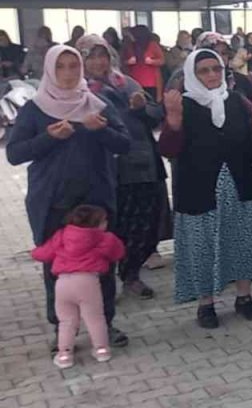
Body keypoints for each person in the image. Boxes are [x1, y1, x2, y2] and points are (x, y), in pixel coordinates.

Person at [7, 45, 131, 351]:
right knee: (57, 267)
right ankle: (62, 327)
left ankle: (105, 322)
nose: (67, 73)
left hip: (95, 200)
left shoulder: (95, 104)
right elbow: (14, 153)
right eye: (60, 67)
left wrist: (99, 131)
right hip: (52, 201)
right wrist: (49, 137)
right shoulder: (35, 108)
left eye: (73, 66)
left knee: (100, 264)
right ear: (50, 70)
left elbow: (125, 144)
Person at [159, 49, 252, 328]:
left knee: (242, 240)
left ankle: (244, 297)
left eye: (216, 69)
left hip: (238, 186)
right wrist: (173, 119)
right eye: (204, 70)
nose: (212, 75)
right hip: (199, 190)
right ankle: (205, 303)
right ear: (191, 75)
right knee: (202, 246)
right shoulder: (183, 104)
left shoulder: (235, 100)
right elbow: (168, 149)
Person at [77, 34, 169, 300]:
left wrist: (142, 108)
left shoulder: (126, 82)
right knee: (112, 228)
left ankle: (132, 274)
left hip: (144, 165)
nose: (98, 61)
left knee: (146, 226)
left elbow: (155, 117)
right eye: (91, 56)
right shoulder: (79, 91)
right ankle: (106, 282)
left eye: (102, 55)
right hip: (109, 171)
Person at [32, 205, 125, 368]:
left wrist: (34, 252)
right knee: (95, 318)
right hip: (87, 281)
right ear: (98, 224)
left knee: (66, 321)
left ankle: (64, 355)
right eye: (104, 221)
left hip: (62, 283)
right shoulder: (104, 238)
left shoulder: (61, 235)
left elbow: (42, 254)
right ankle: (101, 350)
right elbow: (118, 253)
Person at [121, 25, 165, 100]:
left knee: (151, 101)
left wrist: (152, 61)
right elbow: (121, 62)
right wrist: (128, 62)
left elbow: (162, 60)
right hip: (135, 80)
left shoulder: (152, 45)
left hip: (151, 82)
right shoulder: (129, 46)